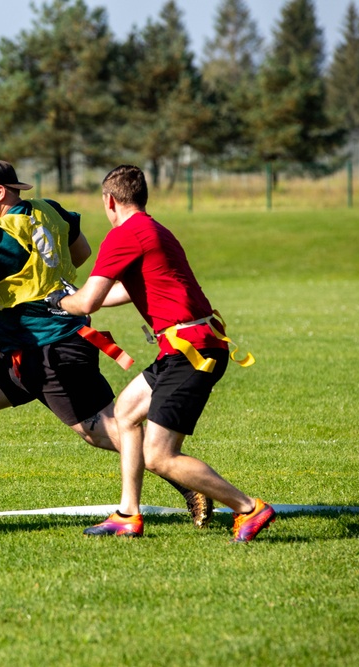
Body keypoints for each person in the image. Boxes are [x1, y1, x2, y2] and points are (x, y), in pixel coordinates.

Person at [0, 159, 210, 525]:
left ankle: (185, 480)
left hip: (52, 350)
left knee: (102, 430)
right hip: (21, 343)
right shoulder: (50, 210)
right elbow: (80, 252)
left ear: (0, 193)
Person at [52, 165, 275, 543]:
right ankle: (127, 514)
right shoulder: (154, 229)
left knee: (159, 456)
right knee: (124, 413)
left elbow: (89, 299)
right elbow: (122, 291)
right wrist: (83, 300)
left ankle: (249, 507)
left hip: (192, 352)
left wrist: (62, 300)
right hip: (190, 345)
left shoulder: (123, 235)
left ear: (109, 200)